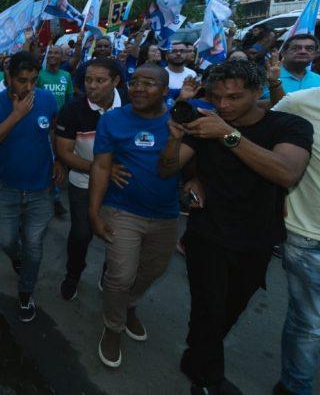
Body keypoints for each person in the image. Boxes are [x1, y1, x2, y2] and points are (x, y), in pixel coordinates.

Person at [157, 59, 313, 394]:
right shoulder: (206, 124)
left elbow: (286, 172)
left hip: (258, 239)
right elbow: (167, 170)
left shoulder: (288, 126)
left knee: (229, 311)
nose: (223, 105)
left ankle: (195, 357)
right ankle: (208, 381)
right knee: (209, 310)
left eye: (234, 97)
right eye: (216, 97)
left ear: (258, 92)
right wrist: (173, 140)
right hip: (208, 236)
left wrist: (227, 135)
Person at [88, 63, 181, 369]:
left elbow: (190, 165)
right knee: (120, 276)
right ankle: (113, 327)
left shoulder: (178, 121)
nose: (139, 88)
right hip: (122, 210)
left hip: (166, 215)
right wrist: (94, 212)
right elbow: (101, 166)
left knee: (153, 270)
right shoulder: (113, 119)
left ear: (165, 90)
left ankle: (129, 305)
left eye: (149, 83)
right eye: (135, 82)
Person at [0, 50, 64, 322]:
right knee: (5, 239)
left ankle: (26, 292)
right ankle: (17, 256)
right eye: (22, 80)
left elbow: (53, 131)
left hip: (41, 190)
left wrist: (58, 160)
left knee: (34, 245)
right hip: (5, 188)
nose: (29, 87)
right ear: (8, 77)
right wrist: (16, 115)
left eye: (33, 80)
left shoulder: (47, 99)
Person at [55, 58, 124, 301]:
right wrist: (102, 170)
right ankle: (73, 275)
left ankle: (109, 273)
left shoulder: (130, 107)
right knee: (81, 234)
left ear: (115, 81)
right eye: (88, 80)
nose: (92, 86)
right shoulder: (72, 110)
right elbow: (64, 152)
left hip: (121, 186)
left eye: (100, 80)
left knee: (119, 237)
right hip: (83, 183)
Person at [271, 87, 320, 395]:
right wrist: (276, 195)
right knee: (310, 322)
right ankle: (294, 387)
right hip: (308, 236)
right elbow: (259, 136)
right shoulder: (300, 103)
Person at [264, 34, 320, 105]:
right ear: (283, 53)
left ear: (315, 54)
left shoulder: (318, 79)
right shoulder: (265, 77)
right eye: (295, 48)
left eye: (309, 49)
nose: (303, 51)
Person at [37, 45, 74, 109]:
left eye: (56, 53)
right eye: (50, 53)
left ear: (62, 57)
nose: (52, 55)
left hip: (61, 114)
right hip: (44, 114)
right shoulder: (39, 75)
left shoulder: (66, 75)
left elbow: (70, 98)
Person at [165, 42, 198, 108]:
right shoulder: (161, 74)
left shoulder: (192, 73)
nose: (178, 54)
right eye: (174, 51)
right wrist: (180, 98)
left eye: (182, 51)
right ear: (166, 56)